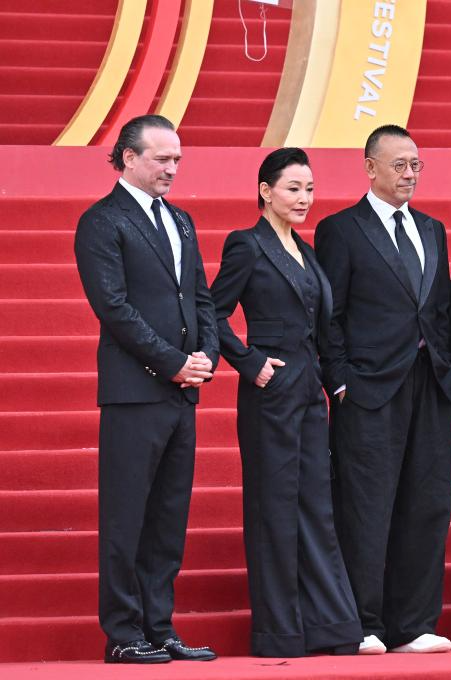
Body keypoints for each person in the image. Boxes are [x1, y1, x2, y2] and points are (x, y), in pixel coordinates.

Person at [74, 114, 219, 663]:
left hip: (182, 393)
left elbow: (200, 298)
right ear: (129, 157)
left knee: (167, 519)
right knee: (127, 517)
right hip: (134, 393)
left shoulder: (181, 220)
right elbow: (114, 308)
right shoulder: (102, 221)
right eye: (162, 158)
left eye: (177, 159)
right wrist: (173, 362)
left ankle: (160, 627)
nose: (172, 168)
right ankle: (123, 633)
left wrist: (205, 357)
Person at [209, 148, 363, 657]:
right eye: (293, 188)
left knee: (316, 507)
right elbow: (211, 311)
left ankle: (330, 626)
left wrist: (334, 380)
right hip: (270, 393)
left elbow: (323, 325)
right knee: (274, 508)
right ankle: (280, 631)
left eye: (309, 189)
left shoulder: (307, 251)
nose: (304, 198)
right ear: (265, 191)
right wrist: (250, 361)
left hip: (310, 394)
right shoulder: (246, 244)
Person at [314, 125, 451, 654]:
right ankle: (363, 623)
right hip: (368, 388)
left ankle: (413, 624)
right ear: (370, 167)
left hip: (430, 384)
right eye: (399, 165)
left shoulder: (433, 229)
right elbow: (329, 314)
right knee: (366, 507)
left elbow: (439, 309)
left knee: (427, 503)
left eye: (416, 164)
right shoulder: (341, 229)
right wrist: (339, 380)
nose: (410, 174)